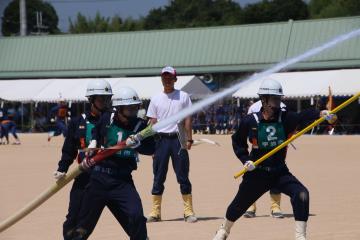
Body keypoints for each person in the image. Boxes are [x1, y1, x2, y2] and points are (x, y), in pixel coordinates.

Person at [213, 79, 337, 240]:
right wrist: (245, 160)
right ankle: (224, 230)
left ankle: (300, 236)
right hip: (256, 173)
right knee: (238, 206)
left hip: (280, 172)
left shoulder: (285, 118)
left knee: (302, 195)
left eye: (279, 98)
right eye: (274, 99)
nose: (278, 102)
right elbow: (237, 141)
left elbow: (301, 116)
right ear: (263, 99)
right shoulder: (250, 121)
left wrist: (321, 114)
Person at [71, 87, 155, 240]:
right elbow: (96, 130)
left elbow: (151, 148)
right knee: (81, 228)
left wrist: (138, 144)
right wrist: (94, 143)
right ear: (119, 109)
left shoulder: (141, 127)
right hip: (99, 179)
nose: (132, 113)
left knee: (136, 218)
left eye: (135, 109)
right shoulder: (106, 117)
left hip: (122, 182)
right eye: (129, 110)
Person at [53, 79, 113, 240]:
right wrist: (62, 168)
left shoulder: (113, 120)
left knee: (132, 218)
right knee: (73, 219)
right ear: (91, 100)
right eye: (102, 99)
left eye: (108, 99)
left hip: (111, 178)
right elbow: (69, 150)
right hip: (84, 176)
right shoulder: (77, 122)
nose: (106, 103)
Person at [146, 66, 197, 223]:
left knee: (182, 175)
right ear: (161, 79)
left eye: (170, 77)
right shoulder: (155, 98)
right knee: (158, 176)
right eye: (164, 77)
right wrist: (151, 145)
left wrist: (189, 138)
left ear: (175, 79)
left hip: (178, 139)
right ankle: (155, 212)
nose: (167, 80)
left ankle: (188, 211)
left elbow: (188, 118)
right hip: (160, 141)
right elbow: (152, 122)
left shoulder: (183, 96)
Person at [243, 94, 287, 218]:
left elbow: (287, 124)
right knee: (252, 177)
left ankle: (275, 206)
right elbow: (248, 128)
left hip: (276, 148)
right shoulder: (254, 107)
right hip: (258, 149)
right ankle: (250, 206)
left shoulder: (282, 107)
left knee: (276, 176)